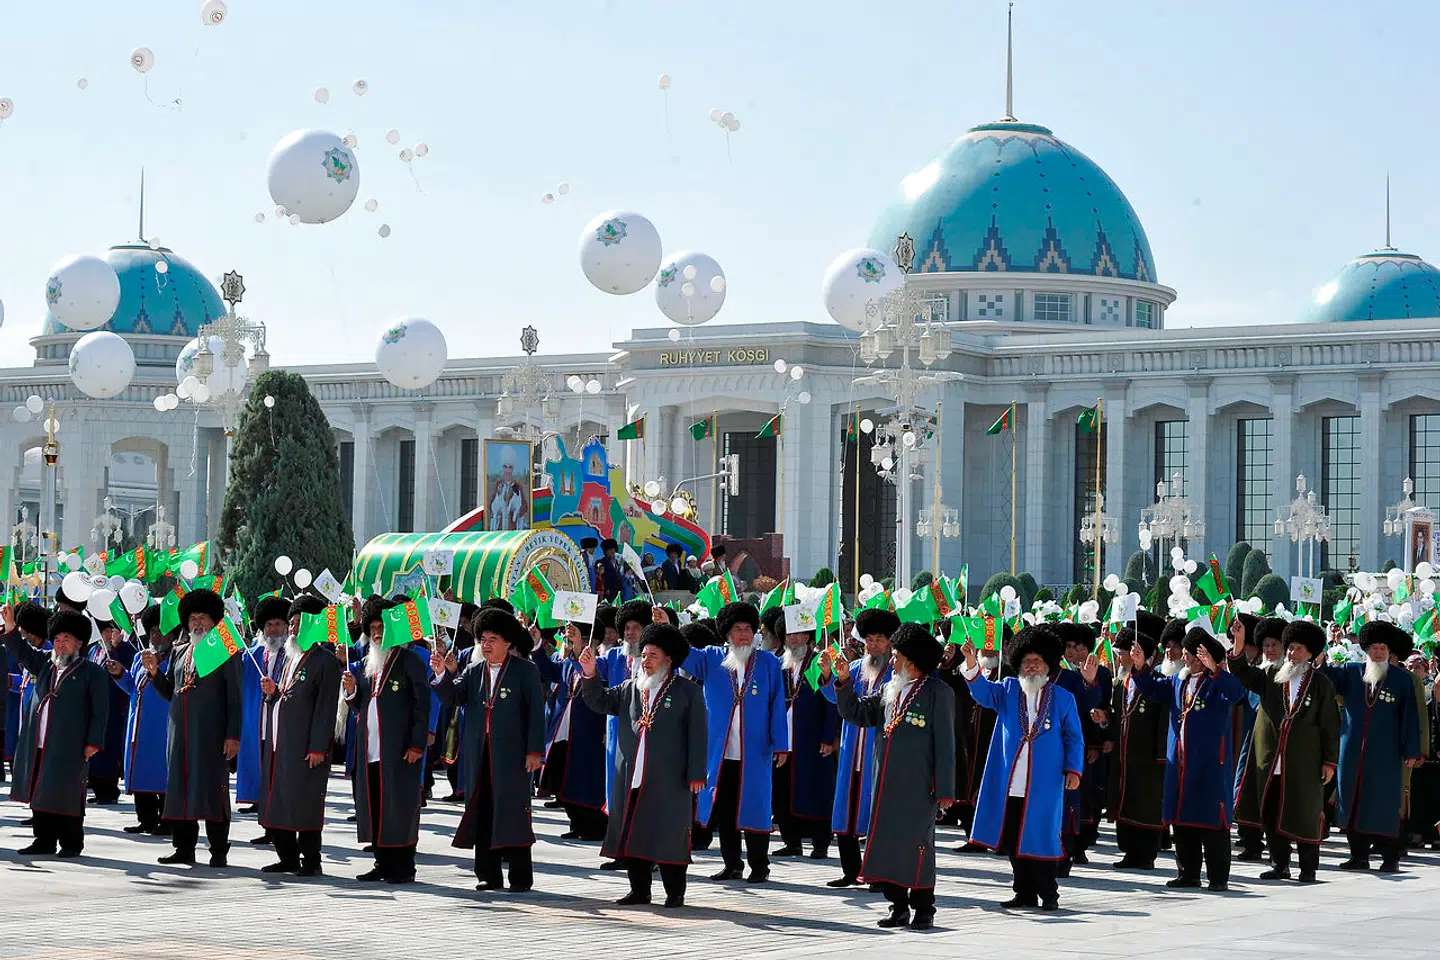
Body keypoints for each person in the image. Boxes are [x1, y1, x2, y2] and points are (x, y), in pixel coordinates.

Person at [830, 623, 955, 929]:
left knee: (918, 846)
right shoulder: (890, 688)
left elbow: (946, 744)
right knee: (886, 844)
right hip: (884, 783)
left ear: (911, 661)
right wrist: (844, 682)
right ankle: (897, 906)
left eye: (897, 655)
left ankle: (924, 907)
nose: (892, 660)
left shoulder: (938, 692)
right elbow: (858, 714)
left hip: (920, 786)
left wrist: (945, 789)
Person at [579, 622, 708, 907]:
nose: (646, 660)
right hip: (631, 775)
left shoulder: (688, 691)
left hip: (670, 777)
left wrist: (697, 772)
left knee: (669, 833)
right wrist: (590, 673)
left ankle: (675, 892)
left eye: (653, 655)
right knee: (633, 830)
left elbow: (698, 734)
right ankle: (639, 890)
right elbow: (599, 701)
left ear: (668, 659)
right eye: (644, 655)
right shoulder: (629, 688)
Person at [961, 624, 1083, 912]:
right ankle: (1023, 893)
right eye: (1026, 662)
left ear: (1048, 666)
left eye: (1036, 662)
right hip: (1011, 780)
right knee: (1014, 839)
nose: (1031, 667)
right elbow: (981, 693)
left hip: (1047, 782)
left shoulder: (1063, 698)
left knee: (1042, 837)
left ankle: (1049, 894)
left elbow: (1074, 739)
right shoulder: (1006, 689)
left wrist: (1074, 771)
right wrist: (970, 661)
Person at [432, 607, 545, 892]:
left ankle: (520, 877)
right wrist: (441, 675)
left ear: (507, 642)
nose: (486, 645)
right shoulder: (473, 671)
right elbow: (453, 698)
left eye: (493, 639)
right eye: (483, 638)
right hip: (479, 755)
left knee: (515, 813)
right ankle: (487, 874)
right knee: (481, 813)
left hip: (513, 756)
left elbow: (535, 714)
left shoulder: (525, 671)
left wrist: (535, 751)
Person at [1130, 626, 1250, 892]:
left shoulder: (1217, 683)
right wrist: (1140, 667)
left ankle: (1218, 878)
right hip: (1181, 764)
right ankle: (1188, 873)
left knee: (1212, 824)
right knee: (1182, 821)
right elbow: (1152, 689)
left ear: (1202, 658)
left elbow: (1239, 694)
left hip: (1209, 764)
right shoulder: (1178, 681)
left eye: (1188, 654)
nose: (1183, 658)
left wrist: (1216, 669)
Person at [681, 601, 788, 883]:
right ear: (727, 633)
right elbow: (681, 653)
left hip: (756, 751)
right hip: (720, 751)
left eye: (748, 629)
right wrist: (669, 626)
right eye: (737, 629)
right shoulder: (711, 658)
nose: (743, 634)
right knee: (725, 811)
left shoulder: (769, 662)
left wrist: (781, 745)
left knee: (757, 807)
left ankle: (759, 866)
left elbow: (778, 705)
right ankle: (732, 864)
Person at [1227, 619, 1338, 883]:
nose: (1292, 653)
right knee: (1271, 812)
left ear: (1310, 653)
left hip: (1305, 762)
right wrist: (1239, 642)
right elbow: (1242, 672)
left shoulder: (1322, 684)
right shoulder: (1271, 677)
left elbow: (1330, 726)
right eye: (1290, 648)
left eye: (1299, 649)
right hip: (1271, 760)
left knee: (1305, 813)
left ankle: (1308, 868)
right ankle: (1279, 864)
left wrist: (1330, 762)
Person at [145, 588, 243, 867]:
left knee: (213, 791)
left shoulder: (225, 650)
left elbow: (234, 697)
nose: (197, 623)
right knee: (180, 791)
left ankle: (219, 850)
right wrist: (154, 673)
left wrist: (233, 735)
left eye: (202, 618)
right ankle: (183, 848)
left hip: (211, 735)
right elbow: (170, 692)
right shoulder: (179, 653)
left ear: (213, 622)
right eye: (192, 619)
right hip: (179, 734)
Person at [5, 606, 108, 857]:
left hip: (71, 743)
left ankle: (71, 843)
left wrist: (93, 741)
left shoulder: (92, 673)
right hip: (38, 741)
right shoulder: (44, 664)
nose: (60, 645)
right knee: (40, 789)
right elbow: (20, 650)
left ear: (79, 643)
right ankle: (43, 840)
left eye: (66, 640)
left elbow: (100, 711)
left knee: (68, 792)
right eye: (57, 639)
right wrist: (9, 625)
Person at [343, 596, 431, 883]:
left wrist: (417, 743)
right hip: (370, 749)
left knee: (401, 806)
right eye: (373, 627)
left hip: (400, 749)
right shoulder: (370, 663)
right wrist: (352, 691)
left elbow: (422, 705)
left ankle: (404, 867)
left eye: (382, 626)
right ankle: (381, 862)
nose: (378, 632)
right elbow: (362, 704)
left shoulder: (410, 660)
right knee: (376, 805)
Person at [1322, 621, 1421, 873]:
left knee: (1383, 804)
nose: (1378, 652)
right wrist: (1321, 656)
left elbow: (1410, 717)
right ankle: (1358, 856)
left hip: (1385, 754)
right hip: (1352, 752)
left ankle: (1390, 858)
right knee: (1352, 802)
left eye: (1383, 648)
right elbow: (1327, 679)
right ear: (1366, 650)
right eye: (1374, 648)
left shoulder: (1401, 680)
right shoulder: (1352, 671)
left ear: (1389, 651)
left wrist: (1411, 750)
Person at [257, 594, 341, 876]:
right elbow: (285, 697)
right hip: (280, 743)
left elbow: (326, 708)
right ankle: (287, 857)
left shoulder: (325, 661)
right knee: (279, 800)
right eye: (291, 624)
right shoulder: (288, 658)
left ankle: (311, 861)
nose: (292, 629)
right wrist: (272, 694)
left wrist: (318, 746)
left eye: (297, 624)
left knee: (304, 802)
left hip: (306, 747)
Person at [818, 608, 897, 887]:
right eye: (869, 640)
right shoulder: (853, 668)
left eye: (879, 639)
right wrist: (829, 675)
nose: (874, 645)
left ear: (889, 642)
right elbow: (832, 698)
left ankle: (878, 873)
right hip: (852, 749)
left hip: (878, 751)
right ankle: (850, 871)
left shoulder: (896, 672)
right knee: (846, 812)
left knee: (877, 815)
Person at [1098, 624, 1169, 870]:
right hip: (1123, 756)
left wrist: (1162, 757)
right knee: (1124, 800)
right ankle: (1129, 852)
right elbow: (1118, 716)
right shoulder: (1121, 683)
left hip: (1148, 758)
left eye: (1122, 652)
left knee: (1146, 804)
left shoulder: (1158, 682)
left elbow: (1163, 721)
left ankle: (1146, 854)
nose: (1119, 657)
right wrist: (1105, 718)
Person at [537, 621, 608, 841]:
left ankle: (593, 827)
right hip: (562, 728)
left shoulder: (601, 664)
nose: (581, 645)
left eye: (585, 641)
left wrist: (578, 647)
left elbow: (593, 679)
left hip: (588, 730)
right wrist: (537, 645)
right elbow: (548, 671)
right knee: (563, 778)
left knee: (586, 781)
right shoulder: (567, 663)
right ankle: (576, 823)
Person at [773, 619, 838, 859]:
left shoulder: (818, 662)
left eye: (799, 635)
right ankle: (791, 842)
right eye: (790, 635)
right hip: (784, 739)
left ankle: (820, 843)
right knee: (784, 791)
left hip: (812, 737)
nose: (794, 640)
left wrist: (829, 736)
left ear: (809, 637)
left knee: (816, 790)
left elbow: (832, 703)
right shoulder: (781, 664)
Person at [110, 605, 171, 835]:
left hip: (162, 725)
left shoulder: (175, 658)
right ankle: (145, 819)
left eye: (160, 631)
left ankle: (167, 819)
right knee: (140, 772)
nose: (156, 636)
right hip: (138, 725)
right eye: (152, 631)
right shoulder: (139, 657)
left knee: (163, 774)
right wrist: (119, 674)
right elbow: (132, 688)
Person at [1233, 616, 1286, 862]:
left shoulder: (1294, 674)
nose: (1269, 650)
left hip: (1283, 746)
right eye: (1265, 645)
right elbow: (1241, 673)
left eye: (1274, 645)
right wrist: (1238, 642)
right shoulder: (1261, 673)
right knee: (1246, 792)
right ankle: (1251, 840)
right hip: (1253, 740)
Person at [238, 596, 291, 825]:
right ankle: (264, 816)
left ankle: (274, 824)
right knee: (259, 769)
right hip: (256, 722)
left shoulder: (293, 655)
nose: (273, 629)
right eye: (269, 625)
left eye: (278, 624)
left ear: (287, 626)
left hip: (282, 725)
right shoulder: (253, 655)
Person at [84, 613, 134, 805]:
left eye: (110, 631)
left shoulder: (123, 650)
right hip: (94, 705)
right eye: (104, 631)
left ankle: (109, 790)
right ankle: (97, 787)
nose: (107, 635)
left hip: (114, 707)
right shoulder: (94, 650)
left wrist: (118, 647)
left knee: (109, 750)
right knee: (95, 749)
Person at [595, 539, 627, 604]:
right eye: (610, 550)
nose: (612, 551)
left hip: (618, 592)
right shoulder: (601, 562)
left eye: (613, 549)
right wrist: (606, 589)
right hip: (608, 592)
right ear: (606, 552)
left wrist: (621, 589)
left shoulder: (616, 562)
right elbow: (602, 578)